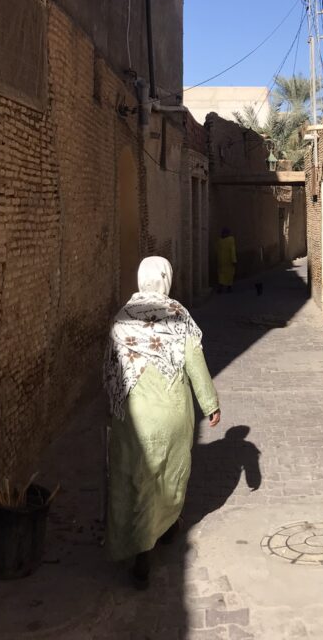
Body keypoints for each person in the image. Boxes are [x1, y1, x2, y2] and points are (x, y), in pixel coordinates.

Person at [103, 256, 220, 588]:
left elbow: (110, 372)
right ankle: (166, 526)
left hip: (131, 416)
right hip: (172, 413)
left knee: (135, 478)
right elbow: (195, 362)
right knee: (169, 473)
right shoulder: (178, 316)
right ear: (166, 278)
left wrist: (110, 409)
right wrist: (210, 403)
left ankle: (139, 547)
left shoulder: (121, 318)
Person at [216, 227, 237, 293]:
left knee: (221, 275)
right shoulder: (231, 240)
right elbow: (232, 250)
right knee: (229, 275)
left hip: (221, 262)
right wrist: (234, 260)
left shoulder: (220, 240)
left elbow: (217, 250)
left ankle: (220, 288)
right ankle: (229, 288)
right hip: (229, 262)